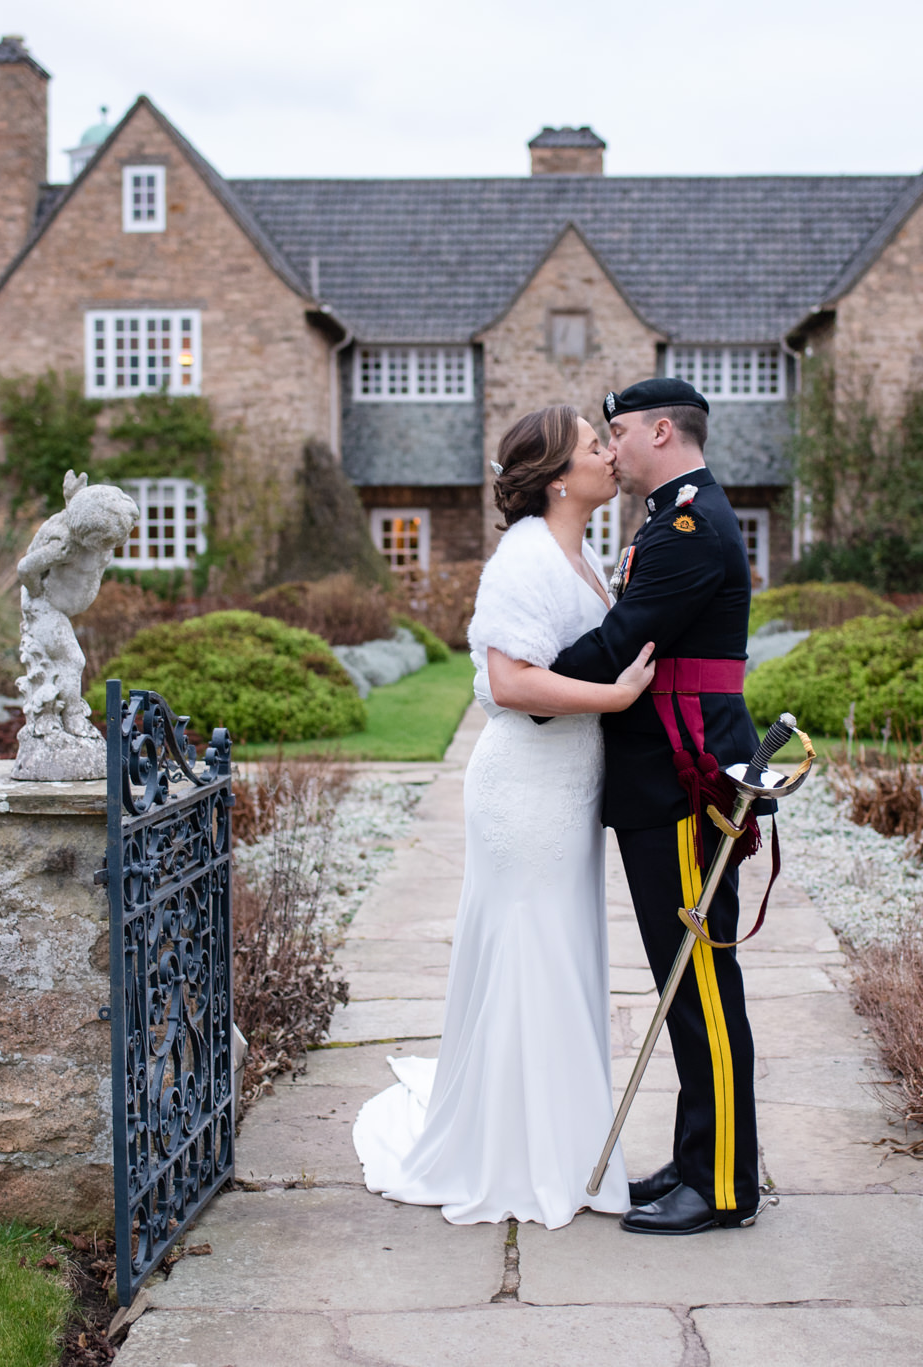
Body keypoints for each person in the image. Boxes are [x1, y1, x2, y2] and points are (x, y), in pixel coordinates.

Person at [351, 405, 657, 1229]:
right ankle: (519, 1158)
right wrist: (618, 695)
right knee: (533, 952)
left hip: (568, 785)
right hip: (525, 790)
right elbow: (511, 681)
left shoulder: (581, 549)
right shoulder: (523, 558)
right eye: (597, 448)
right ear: (559, 476)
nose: (609, 455)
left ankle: (561, 1142)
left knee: (560, 951)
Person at [545, 377, 768, 1235]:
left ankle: (720, 1187)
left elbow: (622, 641)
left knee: (701, 981)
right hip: (673, 776)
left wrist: (531, 685)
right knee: (690, 983)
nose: (614, 448)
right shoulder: (682, 514)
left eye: (622, 433)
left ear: (663, 431)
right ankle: (703, 1154)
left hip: (684, 781)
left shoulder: (685, 524)